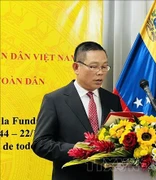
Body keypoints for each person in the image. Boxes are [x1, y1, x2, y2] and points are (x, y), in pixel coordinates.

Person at [31, 41, 123, 180]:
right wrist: (75, 149)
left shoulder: (112, 100)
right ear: (76, 67)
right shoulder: (55, 100)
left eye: (104, 67)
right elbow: (40, 144)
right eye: (93, 66)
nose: (100, 72)